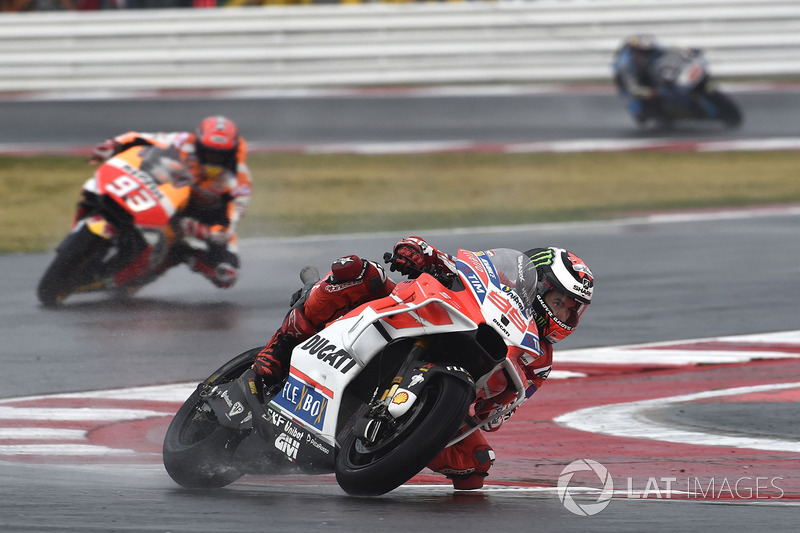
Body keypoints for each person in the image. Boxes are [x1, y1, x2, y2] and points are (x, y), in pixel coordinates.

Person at [251, 236, 594, 490]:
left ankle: (394, 442)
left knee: (475, 467)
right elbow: (456, 266)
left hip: (454, 387)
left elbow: (499, 412)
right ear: (539, 284)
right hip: (412, 318)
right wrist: (420, 252)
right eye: (560, 301)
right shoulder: (501, 285)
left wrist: (490, 411)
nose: (564, 314)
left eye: (571, 310)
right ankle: (279, 348)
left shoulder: (539, 358)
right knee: (356, 270)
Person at [82, 115, 252, 288]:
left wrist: (206, 231)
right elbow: (144, 138)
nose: (213, 159)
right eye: (208, 152)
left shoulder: (240, 180)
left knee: (226, 274)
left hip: (199, 217)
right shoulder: (182, 142)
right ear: (198, 144)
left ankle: (181, 255)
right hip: (158, 191)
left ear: (232, 152)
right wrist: (114, 143)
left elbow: (229, 222)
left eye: (220, 155)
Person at [612, 33, 665, 124]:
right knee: (641, 115)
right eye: (642, 52)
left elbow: (667, 54)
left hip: (647, 72)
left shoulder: (656, 50)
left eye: (649, 52)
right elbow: (633, 89)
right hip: (629, 81)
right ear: (633, 52)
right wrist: (652, 93)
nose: (646, 55)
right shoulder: (625, 65)